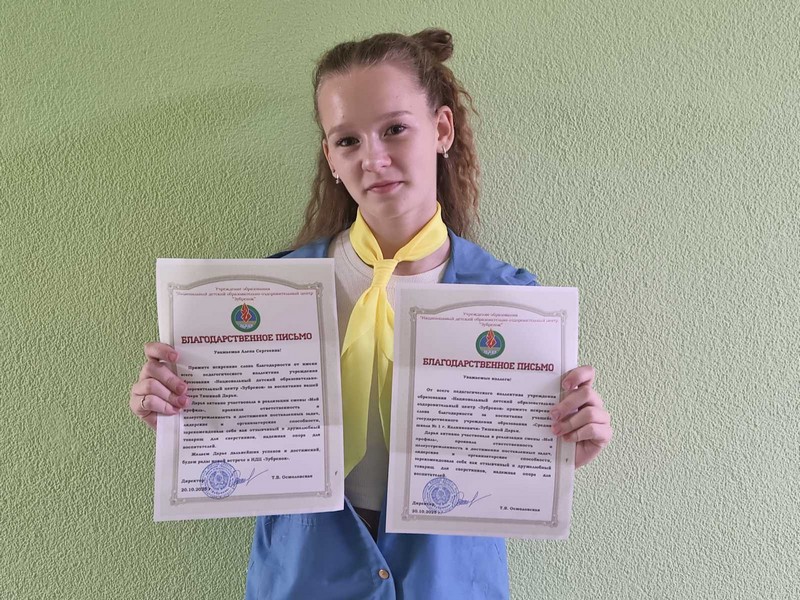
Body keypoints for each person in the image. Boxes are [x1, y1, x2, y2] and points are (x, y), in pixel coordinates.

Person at [129, 28, 613, 600]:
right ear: (330, 158)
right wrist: (183, 419)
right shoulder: (267, 294)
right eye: (347, 140)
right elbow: (238, 451)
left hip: (449, 584)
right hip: (305, 578)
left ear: (442, 129)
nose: (373, 159)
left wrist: (560, 451)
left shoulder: (514, 302)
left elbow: (508, 469)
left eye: (394, 129)